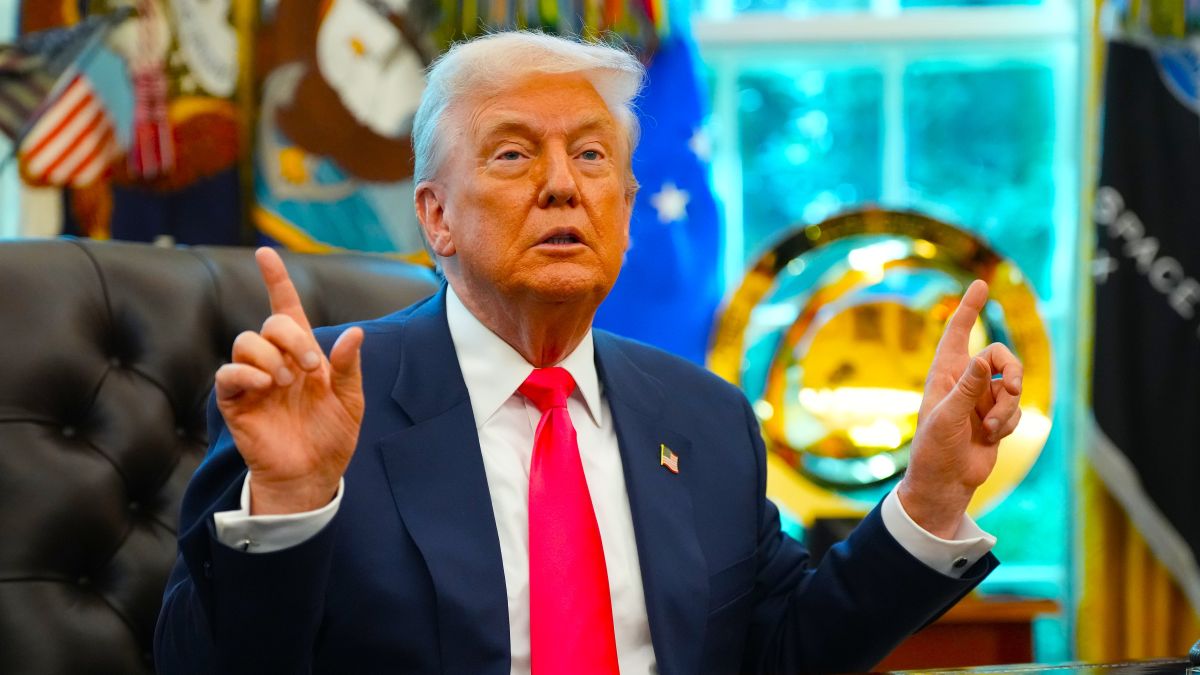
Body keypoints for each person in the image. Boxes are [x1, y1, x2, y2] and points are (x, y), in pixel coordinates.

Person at [154, 30, 1023, 675]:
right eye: (513, 153)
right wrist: (292, 504)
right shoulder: (327, 402)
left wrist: (933, 494)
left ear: (624, 205)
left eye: (593, 155)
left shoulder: (706, 418)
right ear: (436, 216)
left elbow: (790, 652)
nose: (563, 183)